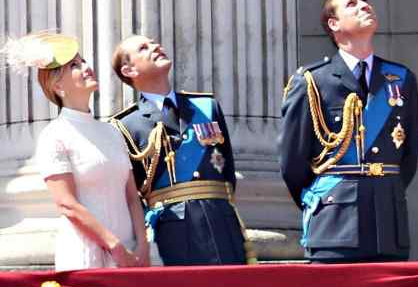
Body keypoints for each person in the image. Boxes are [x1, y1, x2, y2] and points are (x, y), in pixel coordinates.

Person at [279, 0, 418, 262]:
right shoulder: (313, 81)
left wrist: (384, 193)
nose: (364, 5)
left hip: (388, 223)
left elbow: (410, 155)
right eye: (352, 3)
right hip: (334, 223)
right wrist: (323, 199)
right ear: (334, 24)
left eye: (366, 0)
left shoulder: (401, 78)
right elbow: (292, 161)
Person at [2, 33, 148, 270]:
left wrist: (142, 245)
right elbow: (67, 204)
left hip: (130, 254)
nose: (86, 67)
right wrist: (114, 246)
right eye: (75, 65)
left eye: (83, 61)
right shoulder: (54, 135)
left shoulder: (112, 132)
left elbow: (132, 196)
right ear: (58, 85)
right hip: (86, 256)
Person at [110, 35, 250, 265]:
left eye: (155, 43)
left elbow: (227, 172)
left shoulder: (207, 106)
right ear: (129, 70)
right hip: (173, 230)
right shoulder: (126, 126)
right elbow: (131, 194)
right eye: (144, 48)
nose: (156, 47)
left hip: (221, 221)